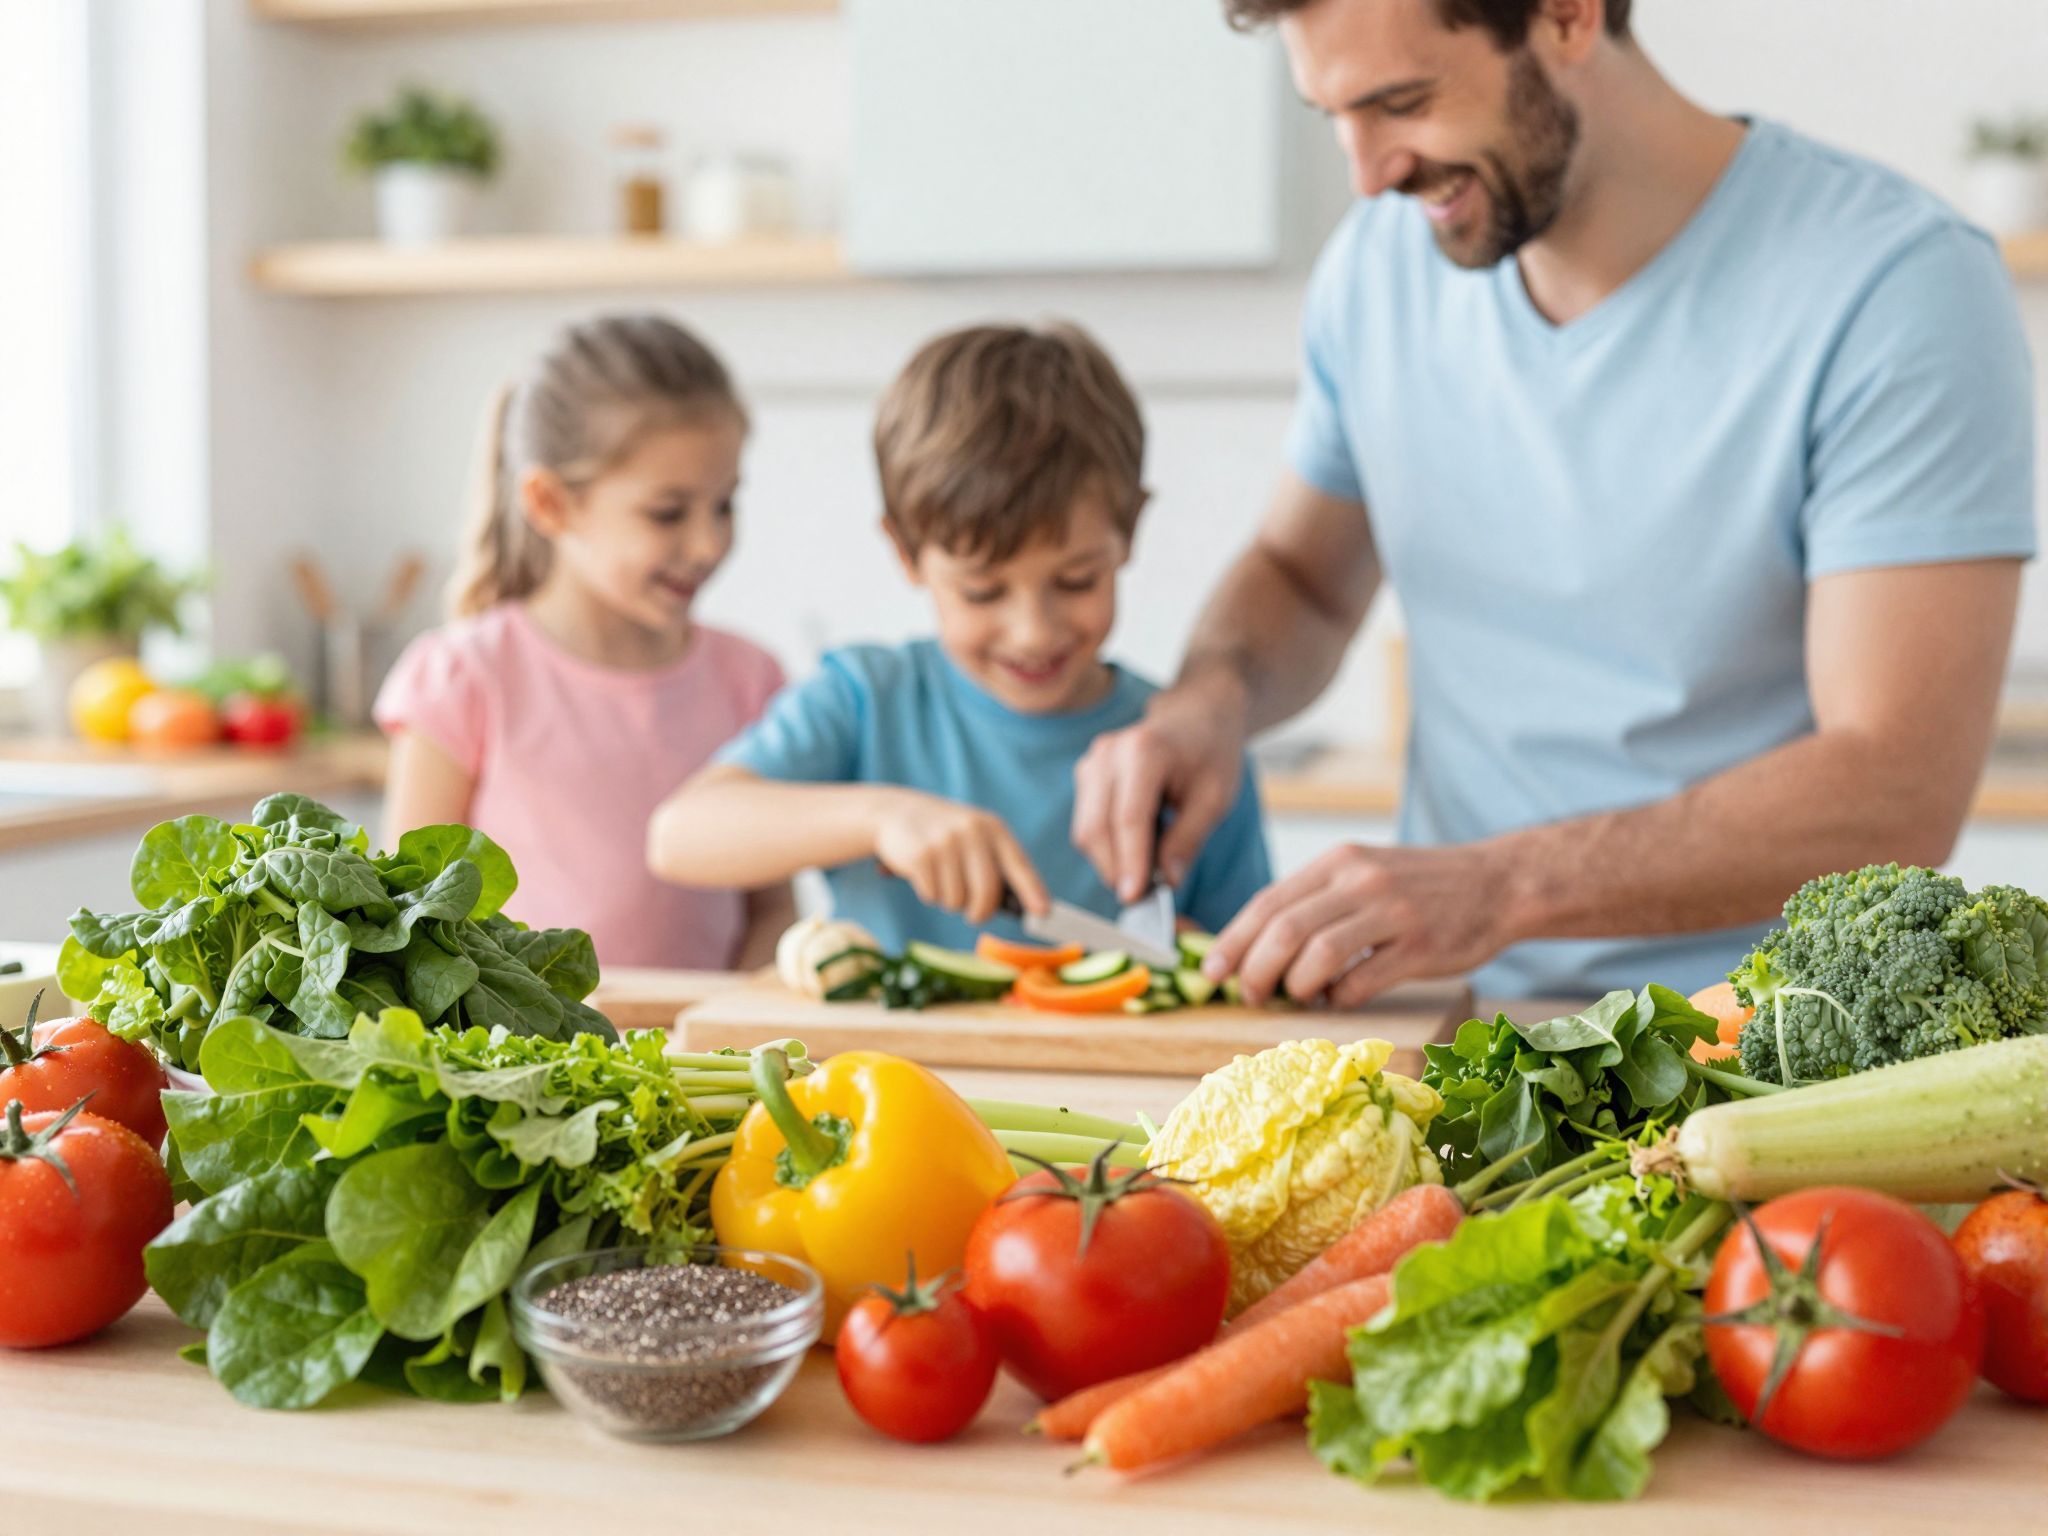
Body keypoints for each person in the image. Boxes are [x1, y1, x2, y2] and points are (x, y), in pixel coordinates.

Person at [1073, 0, 2035, 1005]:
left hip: (1756, 1054)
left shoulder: (1894, 289)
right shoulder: (1375, 269)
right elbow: (1303, 579)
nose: (1368, 174)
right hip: (1443, 1034)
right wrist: (1206, 703)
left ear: (1567, 16)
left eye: (1400, 102)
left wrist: (1497, 888)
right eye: (1332, 117)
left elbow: (1892, 785)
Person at [648, 322, 1272, 952]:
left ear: (1130, 531)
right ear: (906, 550)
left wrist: (1214, 962)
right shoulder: (866, 701)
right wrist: (883, 817)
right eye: (983, 592)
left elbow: (1247, 972)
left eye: (1078, 580)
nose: (1034, 631)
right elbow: (679, 835)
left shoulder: (1187, 750)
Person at [375, 313, 789, 970]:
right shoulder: (466, 680)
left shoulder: (750, 681)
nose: (709, 543)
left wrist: (722, 1028)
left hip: (707, 1067)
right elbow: (406, 929)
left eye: (725, 504)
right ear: (550, 504)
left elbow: (772, 910)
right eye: (668, 512)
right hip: (519, 1066)